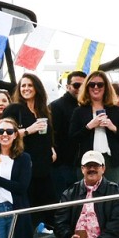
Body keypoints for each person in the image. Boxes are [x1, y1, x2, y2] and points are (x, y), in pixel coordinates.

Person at [3, 71, 55, 209]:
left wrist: (52, 149)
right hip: (24, 164)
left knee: (48, 206)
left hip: (43, 165)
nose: (26, 88)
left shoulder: (43, 110)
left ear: (37, 88)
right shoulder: (14, 109)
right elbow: (4, 134)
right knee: (28, 206)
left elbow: (48, 135)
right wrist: (28, 130)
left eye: (30, 85)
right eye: (23, 85)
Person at [66, 71, 119, 176]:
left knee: (111, 187)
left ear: (106, 87)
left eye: (100, 84)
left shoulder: (115, 110)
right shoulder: (79, 111)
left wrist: (113, 128)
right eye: (92, 84)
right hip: (88, 160)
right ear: (87, 87)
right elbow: (72, 139)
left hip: (111, 162)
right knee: (87, 187)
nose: (96, 87)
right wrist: (89, 126)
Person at [48, 69, 88, 197]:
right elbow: (52, 135)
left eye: (84, 85)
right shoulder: (56, 106)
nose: (80, 89)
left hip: (82, 163)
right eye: (76, 85)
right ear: (67, 87)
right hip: (63, 164)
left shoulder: (86, 106)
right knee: (64, 201)